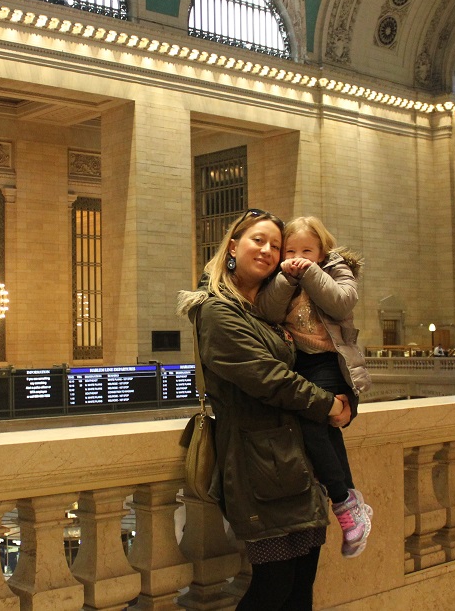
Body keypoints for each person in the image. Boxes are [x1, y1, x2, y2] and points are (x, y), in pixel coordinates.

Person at [177, 208, 351, 610]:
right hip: (258, 465)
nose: (269, 250)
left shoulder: (267, 307)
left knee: (300, 585)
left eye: (276, 244)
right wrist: (328, 405)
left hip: (293, 463)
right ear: (233, 246)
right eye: (259, 240)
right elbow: (267, 377)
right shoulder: (218, 309)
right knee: (274, 585)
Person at [254, 215, 374, 559]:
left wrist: (308, 271)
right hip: (299, 362)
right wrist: (287, 279)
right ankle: (351, 503)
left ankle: (343, 501)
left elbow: (341, 302)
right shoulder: (279, 278)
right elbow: (269, 311)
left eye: (307, 249)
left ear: (322, 251)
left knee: (313, 424)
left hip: (329, 362)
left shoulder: (336, 269)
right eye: (290, 250)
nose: (297, 255)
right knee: (321, 431)